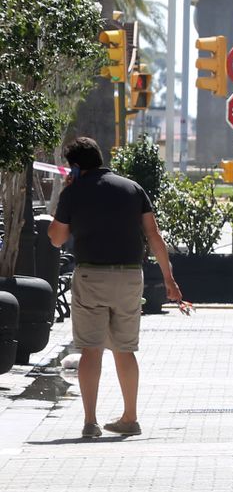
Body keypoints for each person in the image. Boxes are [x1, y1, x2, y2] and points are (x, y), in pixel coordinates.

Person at [48, 136, 185, 440]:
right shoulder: (132, 188)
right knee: (125, 349)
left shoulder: (75, 192)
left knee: (91, 351)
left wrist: (67, 195)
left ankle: (90, 422)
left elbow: (56, 238)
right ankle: (130, 418)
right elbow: (154, 236)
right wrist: (169, 279)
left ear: (75, 167)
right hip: (129, 277)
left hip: (90, 277)